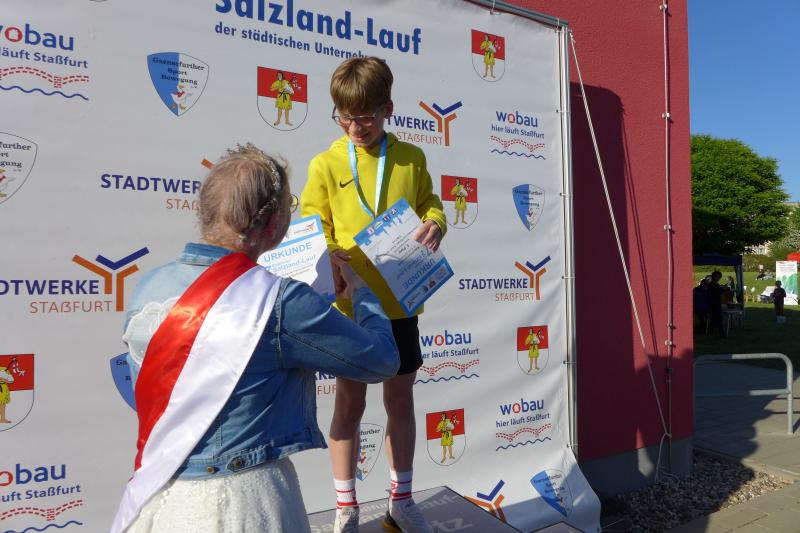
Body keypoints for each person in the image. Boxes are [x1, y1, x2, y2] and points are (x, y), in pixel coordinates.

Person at [111, 144, 400, 533]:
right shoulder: (278, 300)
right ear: (273, 224)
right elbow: (382, 360)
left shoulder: (148, 287)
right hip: (247, 503)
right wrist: (364, 294)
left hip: (156, 497)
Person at [301, 56, 446, 533]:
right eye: (344, 116)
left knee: (400, 402)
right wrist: (329, 255)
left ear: (388, 109)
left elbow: (430, 203)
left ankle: (400, 502)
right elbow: (313, 224)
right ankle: (345, 509)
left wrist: (435, 222)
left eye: (364, 116)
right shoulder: (325, 163)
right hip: (350, 307)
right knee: (349, 405)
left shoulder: (411, 158)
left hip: (401, 298)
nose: (354, 127)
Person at [707, 271, 724, 336]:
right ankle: (721, 333)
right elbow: (716, 293)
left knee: (714, 318)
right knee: (718, 318)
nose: (718, 278)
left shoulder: (715, 284)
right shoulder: (712, 284)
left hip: (716, 303)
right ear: (713, 276)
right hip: (714, 304)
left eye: (719, 277)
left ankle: (712, 331)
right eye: (717, 276)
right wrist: (723, 289)